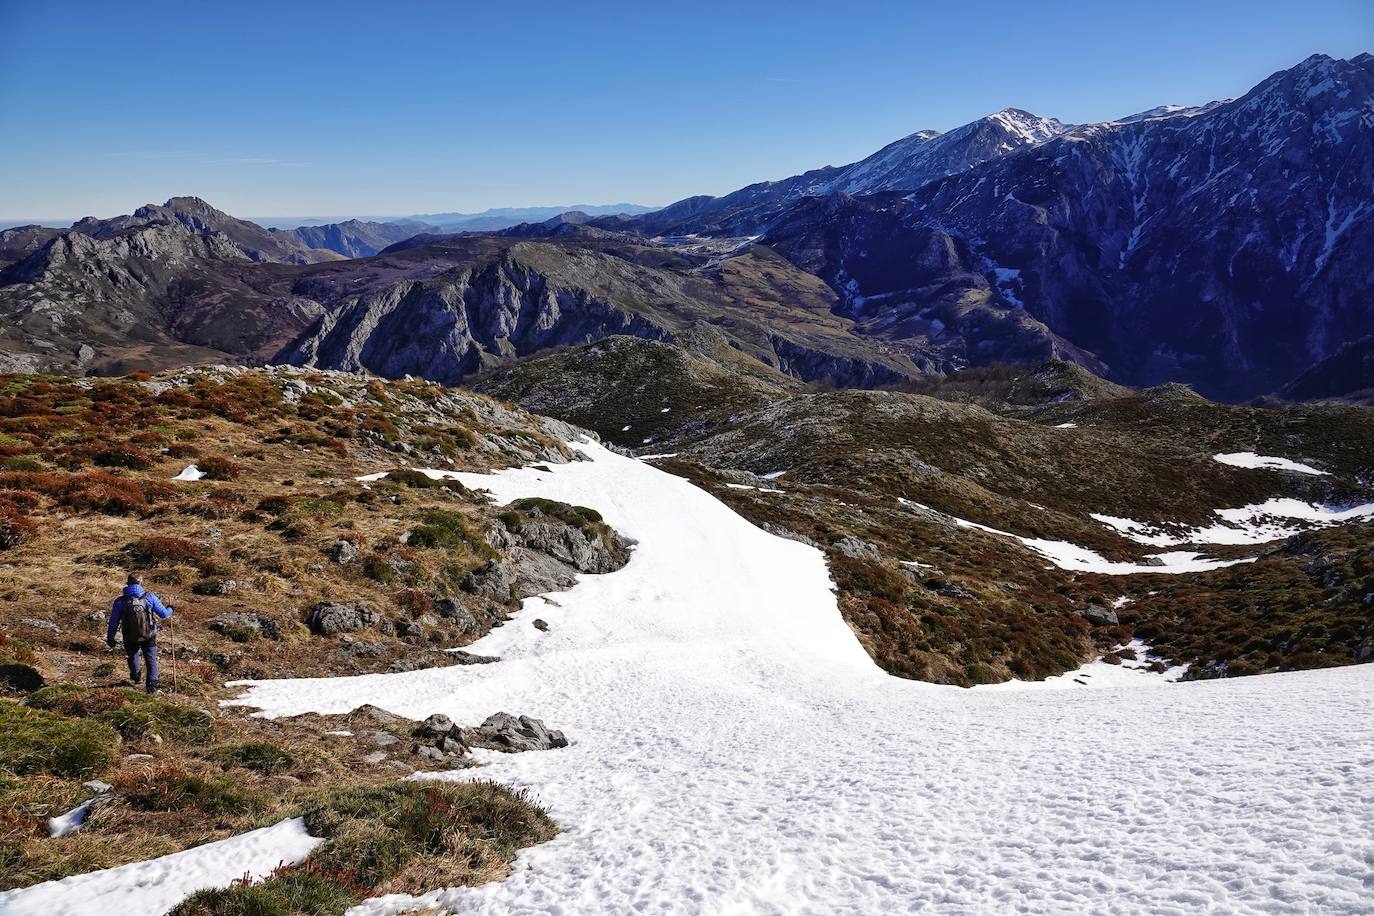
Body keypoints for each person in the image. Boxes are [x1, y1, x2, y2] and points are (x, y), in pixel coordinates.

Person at [106, 572, 174, 693]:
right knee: (151, 658)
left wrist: (110, 638)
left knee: (133, 655)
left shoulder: (120, 601)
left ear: (127, 583)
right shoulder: (150, 597)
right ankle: (152, 687)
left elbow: (113, 622)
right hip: (149, 634)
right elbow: (163, 614)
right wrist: (171, 609)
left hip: (129, 635)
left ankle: (136, 676)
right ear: (141, 582)